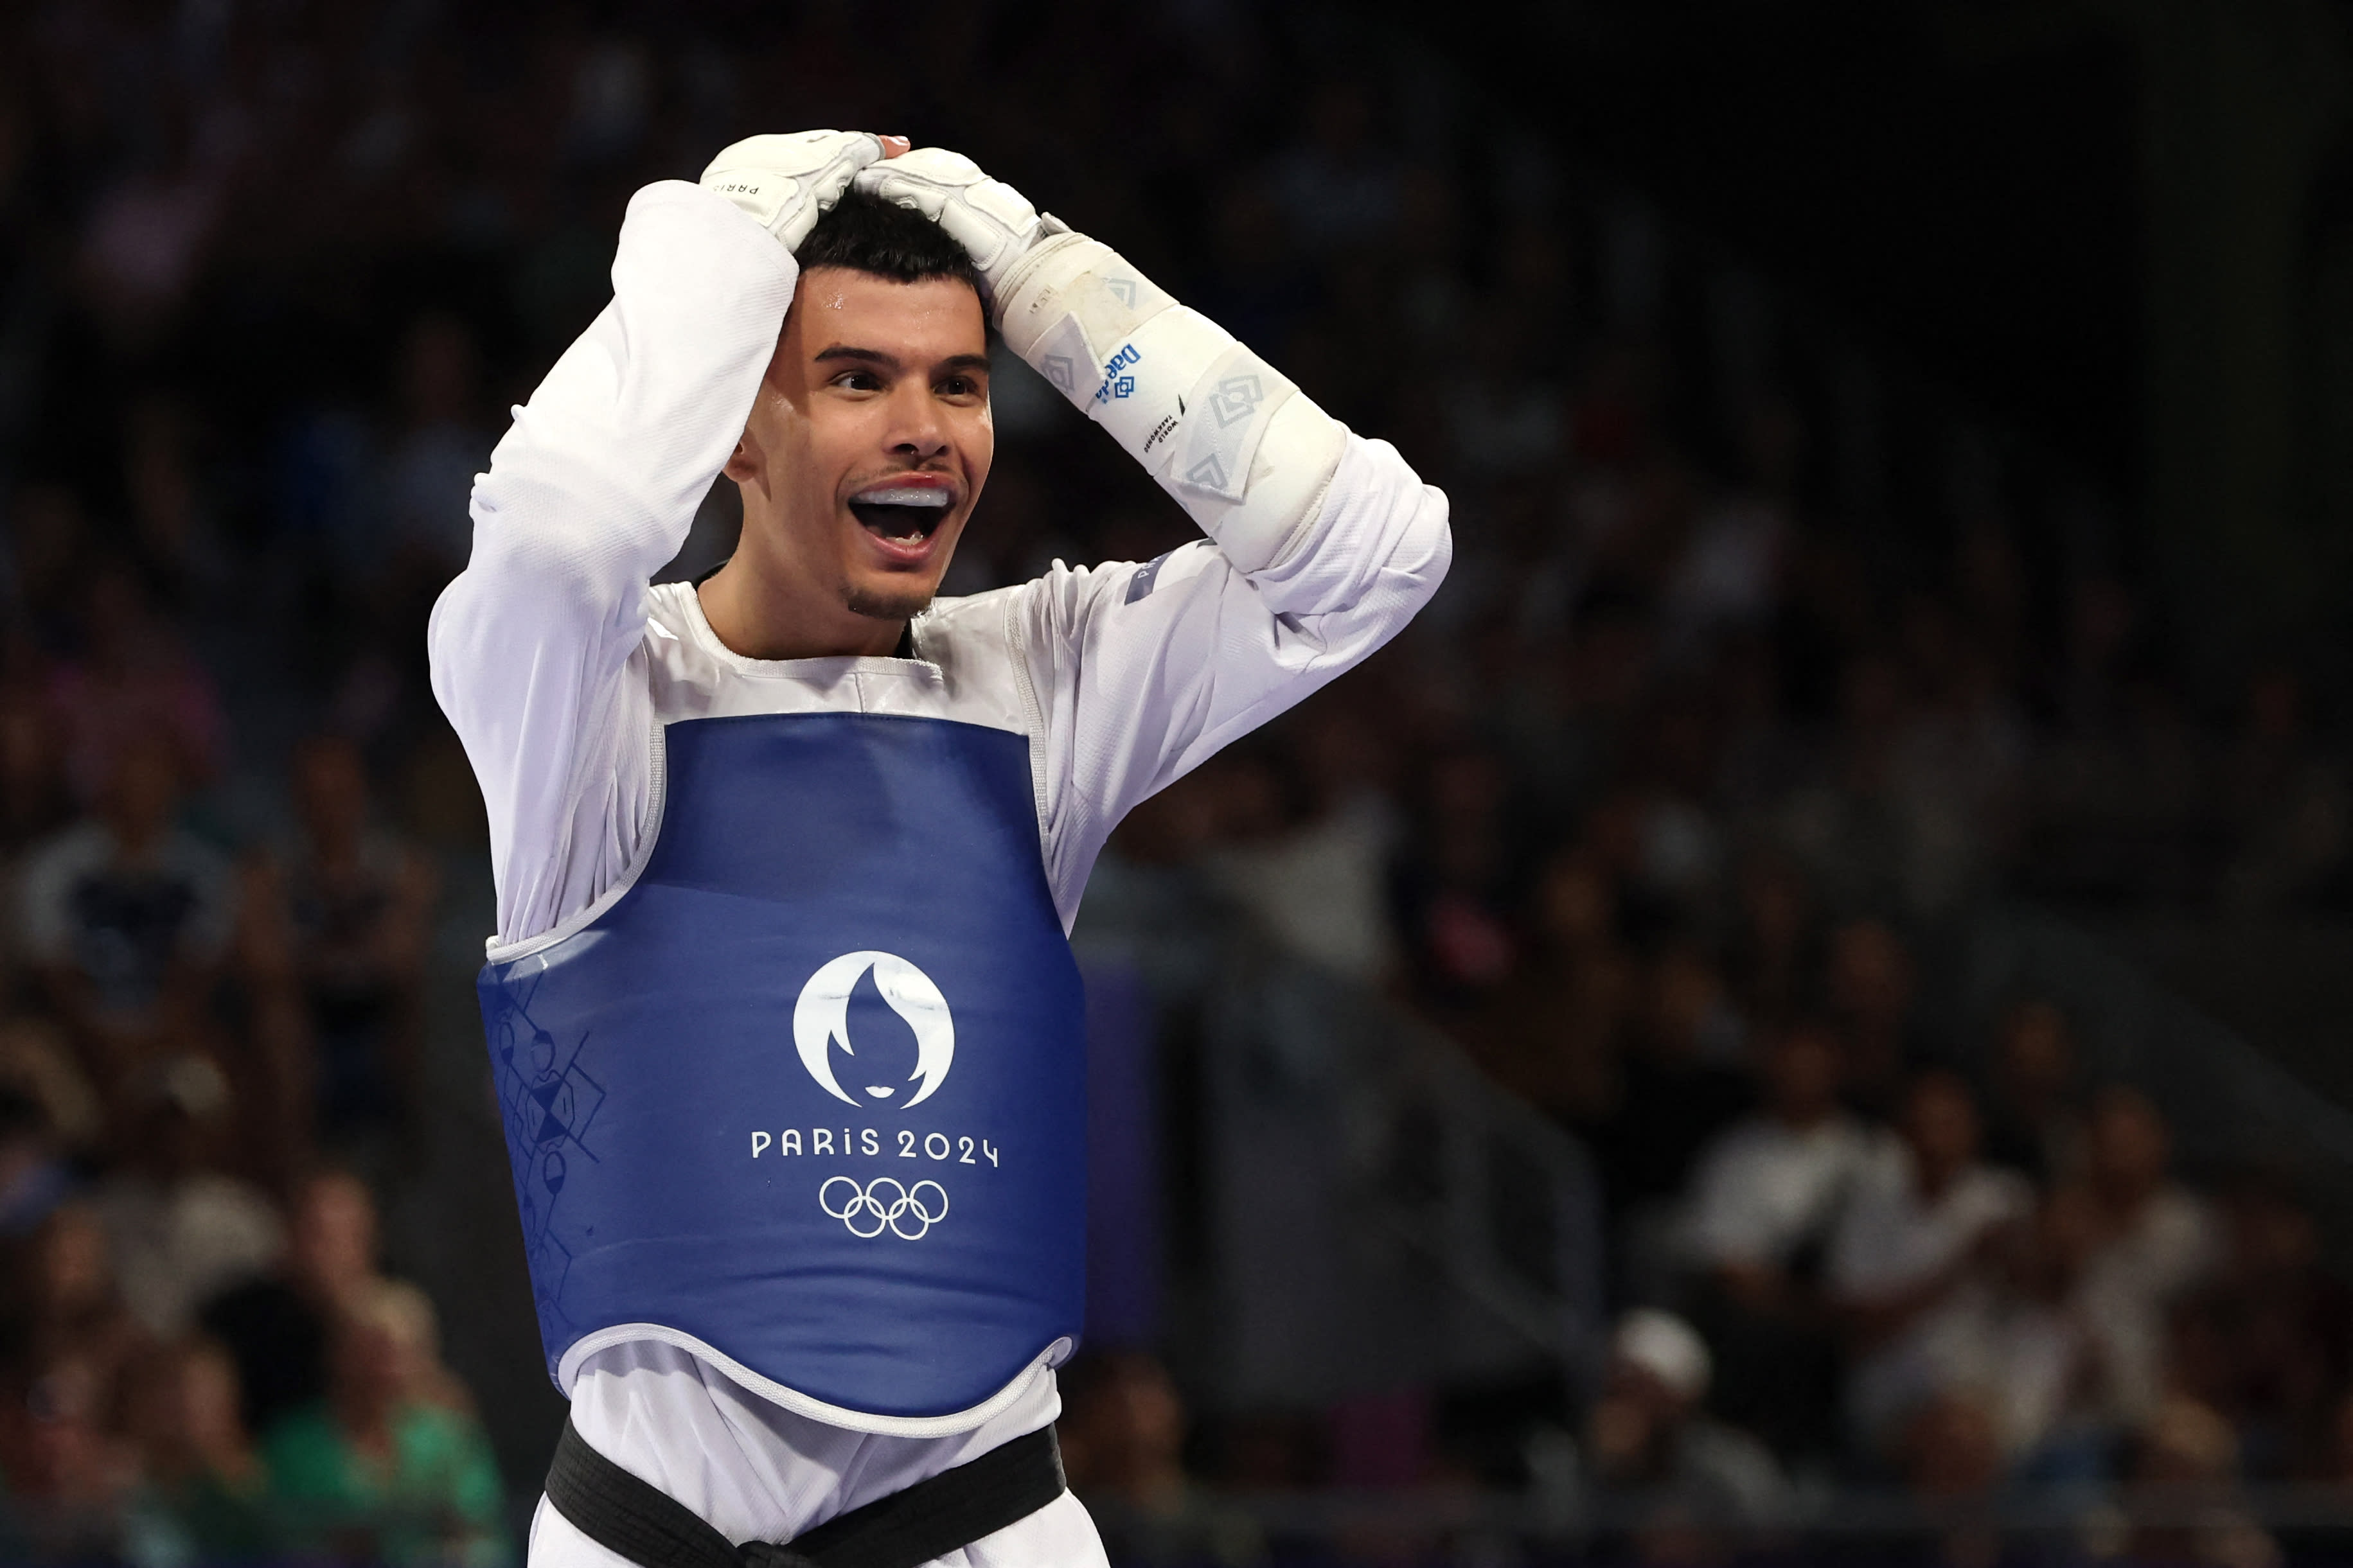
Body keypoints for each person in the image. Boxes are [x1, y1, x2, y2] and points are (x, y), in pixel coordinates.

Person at [428, 131, 1449, 1567]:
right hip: (649, 1534)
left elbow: (1376, 551)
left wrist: (1042, 275)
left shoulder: (1041, 678)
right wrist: (719, 244)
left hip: (992, 1528)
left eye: (959, 384)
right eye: (858, 379)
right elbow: (557, 536)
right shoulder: (593, 698)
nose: (925, 427)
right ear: (733, 421)